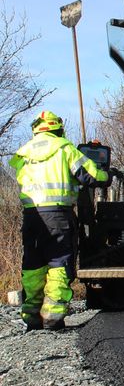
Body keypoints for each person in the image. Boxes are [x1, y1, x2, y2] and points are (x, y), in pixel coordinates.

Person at [10, 111, 111, 330]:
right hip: (58, 216)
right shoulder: (65, 148)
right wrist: (107, 175)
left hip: (31, 216)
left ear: (37, 129)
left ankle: (31, 316)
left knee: (33, 265)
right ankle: (52, 317)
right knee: (59, 263)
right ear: (58, 129)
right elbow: (92, 176)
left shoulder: (24, 153)